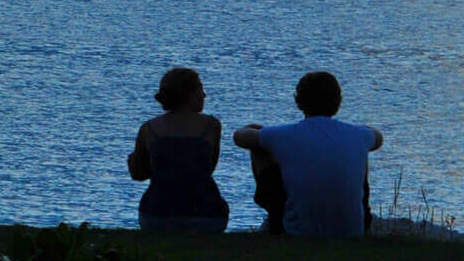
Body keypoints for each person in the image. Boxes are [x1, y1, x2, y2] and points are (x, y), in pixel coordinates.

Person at [234, 72, 383, 238]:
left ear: (299, 101)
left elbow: (240, 137)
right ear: (338, 101)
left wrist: (260, 130)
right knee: (361, 149)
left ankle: (276, 216)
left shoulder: (284, 135)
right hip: (353, 231)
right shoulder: (357, 135)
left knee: (259, 148)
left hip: (297, 231)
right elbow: (377, 137)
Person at [128, 66, 229, 233]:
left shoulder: (149, 128)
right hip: (207, 218)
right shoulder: (211, 125)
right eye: (201, 89)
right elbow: (207, 168)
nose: (204, 95)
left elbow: (138, 174)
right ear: (190, 94)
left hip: (156, 218)